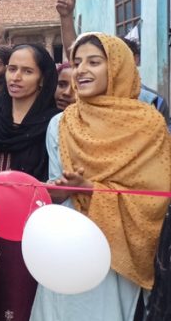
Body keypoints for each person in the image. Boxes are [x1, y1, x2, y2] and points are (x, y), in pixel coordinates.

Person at [30, 33, 171, 321]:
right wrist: (60, 189)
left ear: (119, 67)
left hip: (120, 246)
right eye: (78, 62)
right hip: (69, 241)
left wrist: (94, 189)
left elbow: (157, 195)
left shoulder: (149, 123)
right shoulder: (61, 122)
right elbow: (56, 190)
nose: (82, 70)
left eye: (94, 62)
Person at [0, 43, 59, 321]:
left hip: (27, 232)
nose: (15, 77)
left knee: (19, 299)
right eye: (12, 69)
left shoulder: (52, 124)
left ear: (42, 78)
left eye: (27, 71)